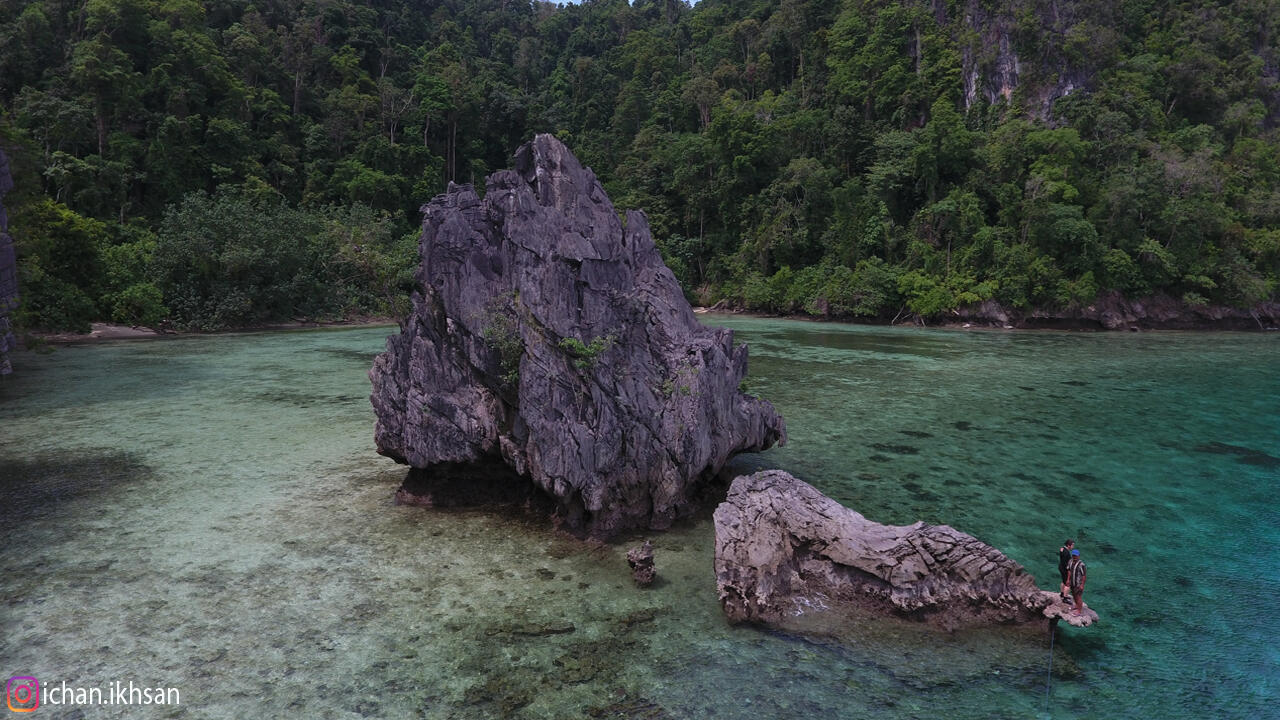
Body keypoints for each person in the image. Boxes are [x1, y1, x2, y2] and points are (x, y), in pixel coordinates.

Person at [1067, 548, 1087, 614]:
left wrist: (1082, 585)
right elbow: (1069, 571)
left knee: (1078, 597)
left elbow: (1084, 575)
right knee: (1074, 595)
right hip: (1072, 583)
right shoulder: (1070, 561)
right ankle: (1076, 605)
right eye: (1073, 555)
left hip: (1078, 584)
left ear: (1078, 556)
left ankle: (1079, 611)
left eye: (1076, 556)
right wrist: (1068, 579)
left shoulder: (1081, 565)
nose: (1074, 557)